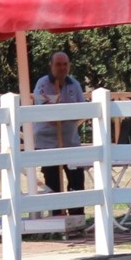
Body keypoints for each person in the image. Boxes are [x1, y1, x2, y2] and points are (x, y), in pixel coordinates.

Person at [33, 51, 86, 216]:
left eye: (65, 64)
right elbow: (44, 114)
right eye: (58, 64)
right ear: (51, 65)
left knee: (77, 179)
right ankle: (57, 217)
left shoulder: (74, 84)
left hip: (70, 140)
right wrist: (59, 114)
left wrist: (65, 114)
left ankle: (77, 218)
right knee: (53, 180)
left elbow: (82, 109)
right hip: (47, 141)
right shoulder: (42, 84)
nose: (62, 68)